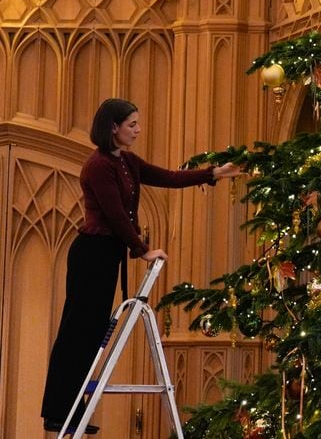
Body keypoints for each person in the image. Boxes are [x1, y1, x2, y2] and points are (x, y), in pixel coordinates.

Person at [40, 98, 241, 435]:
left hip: (107, 254)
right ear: (113, 127)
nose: (137, 130)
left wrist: (212, 173)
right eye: (132, 124)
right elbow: (115, 213)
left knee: (92, 336)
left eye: (137, 123)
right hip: (92, 253)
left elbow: (168, 177)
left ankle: (73, 411)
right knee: (78, 333)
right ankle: (58, 411)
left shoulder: (127, 161)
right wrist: (142, 249)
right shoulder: (97, 166)